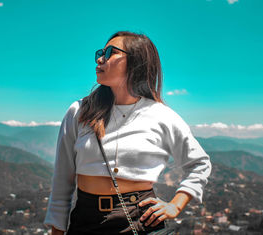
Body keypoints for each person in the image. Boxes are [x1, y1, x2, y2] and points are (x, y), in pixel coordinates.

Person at [44, 31, 211, 234]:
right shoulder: (79, 111)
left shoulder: (161, 115)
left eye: (110, 52)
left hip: (141, 221)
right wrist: (57, 231)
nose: (100, 58)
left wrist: (176, 205)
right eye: (100, 52)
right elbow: (62, 181)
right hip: (85, 220)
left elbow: (199, 163)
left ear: (136, 62)